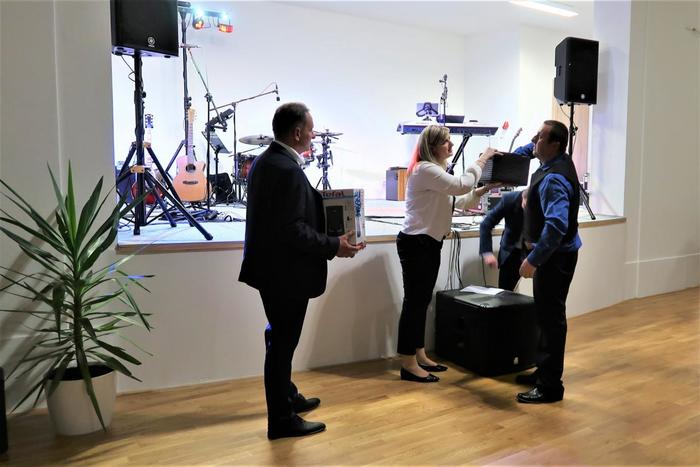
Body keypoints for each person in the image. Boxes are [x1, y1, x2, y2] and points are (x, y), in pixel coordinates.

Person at [238, 102, 364, 439]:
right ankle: (282, 419)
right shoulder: (287, 169)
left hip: (271, 270)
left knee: (279, 338)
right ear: (297, 132)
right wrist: (334, 245)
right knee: (282, 343)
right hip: (285, 273)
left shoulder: (266, 161)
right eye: (310, 129)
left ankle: (288, 395)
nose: (313, 134)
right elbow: (293, 230)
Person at [397, 124, 496, 383]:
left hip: (427, 243)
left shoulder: (434, 171)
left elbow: (457, 199)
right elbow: (461, 185)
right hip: (417, 243)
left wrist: (482, 190)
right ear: (432, 147)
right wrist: (482, 160)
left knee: (420, 302)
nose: (451, 145)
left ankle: (419, 353)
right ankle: (408, 363)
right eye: (446, 142)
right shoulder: (425, 169)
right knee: (414, 304)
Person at [515, 120, 582, 404]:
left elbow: (556, 226)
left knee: (551, 320)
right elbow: (527, 150)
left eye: (540, 137)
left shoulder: (554, 179)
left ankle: (550, 386)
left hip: (554, 258)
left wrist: (533, 260)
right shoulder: (556, 160)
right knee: (544, 316)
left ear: (554, 144)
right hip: (555, 255)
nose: (534, 140)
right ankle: (543, 371)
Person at [478, 188, 527, 291]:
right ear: (522, 198)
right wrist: (487, 252)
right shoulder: (509, 199)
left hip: (535, 252)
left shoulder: (545, 203)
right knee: (505, 293)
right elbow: (486, 224)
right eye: (526, 206)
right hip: (510, 252)